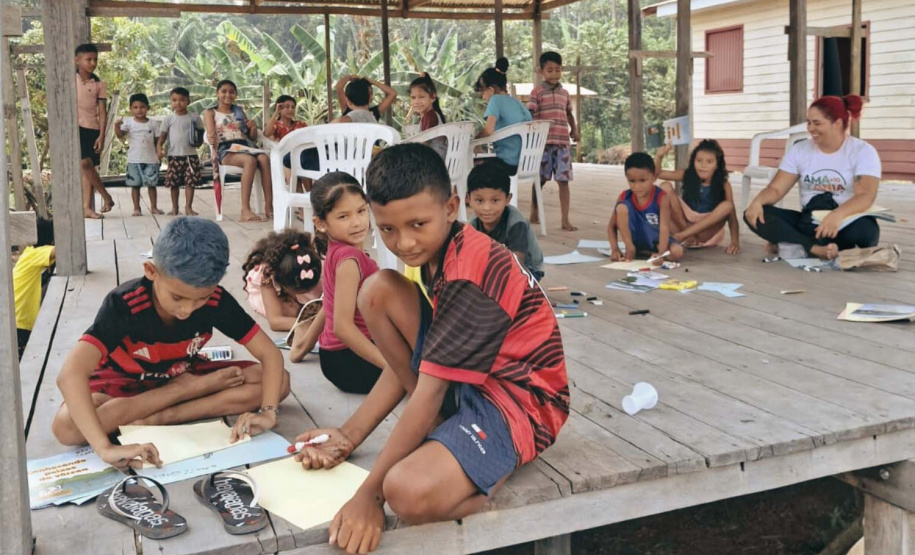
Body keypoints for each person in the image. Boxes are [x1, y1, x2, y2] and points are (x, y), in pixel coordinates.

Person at [292, 144, 569, 553]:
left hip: (520, 403)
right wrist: (347, 437)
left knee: (404, 491)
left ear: (451, 206)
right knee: (379, 289)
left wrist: (370, 496)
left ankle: (491, 464)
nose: (403, 242)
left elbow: (431, 386)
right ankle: (446, 430)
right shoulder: (440, 248)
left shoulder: (470, 275)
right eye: (387, 229)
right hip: (470, 380)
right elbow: (425, 369)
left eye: (417, 224)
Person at [52, 217, 290, 468]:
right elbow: (70, 376)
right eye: (177, 297)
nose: (187, 309)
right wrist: (104, 448)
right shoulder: (125, 304)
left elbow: (270, 355)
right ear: (151, 271)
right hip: (124, 379)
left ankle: (166, 415)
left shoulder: (216, 301)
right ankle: (182, 393)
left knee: (279, 381)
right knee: (67, 428)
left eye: (201, 299)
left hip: (180, 371)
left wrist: (268, 413)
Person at [744, 95, 881, 260]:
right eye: (809, 122)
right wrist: (758, 201)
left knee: (866, 232)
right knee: (754, 214)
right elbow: (776, 188)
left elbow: (865, 196)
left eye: (817, 123)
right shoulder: (799, 150)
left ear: (837, 123)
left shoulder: (863, 152)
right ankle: (816, 248)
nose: (810, 128)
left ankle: (796, 243)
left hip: (845, 220)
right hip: (809, 221)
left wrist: (837, 215)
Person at [292, 172, 384, 395]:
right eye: (343, 216)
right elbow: (342, 328)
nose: (357, 222)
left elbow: (329, 304)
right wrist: (394, 368)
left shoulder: (338, 251)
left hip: (336, 359)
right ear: (321, 224)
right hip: (353, 363)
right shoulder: (350, 260)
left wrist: (303, 347)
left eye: (361, 211)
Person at [203, 79, 273, 222]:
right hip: (226, 150)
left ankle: (269, 207)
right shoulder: (210, 112)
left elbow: (251, 136)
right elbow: (211, 134)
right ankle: (245, 209)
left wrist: (252, 127)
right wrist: (213, 146)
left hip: (243, 146)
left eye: (231, 92)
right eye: (224, 91)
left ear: (236, 94)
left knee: (264, 159)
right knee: (250, 160)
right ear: (217, 93)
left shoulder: (239, 111)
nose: (228, 95)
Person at [655, 139, 740, 254]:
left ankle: (684, 235)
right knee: (665, 187)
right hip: (683, 225)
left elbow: (732, 217)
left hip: (705, 232)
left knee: (727, 206)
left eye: (709, 162)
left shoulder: (724, 184)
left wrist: (735, 241)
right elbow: (658, 174)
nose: (703, 166)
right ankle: (686, 234)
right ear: (693, 161)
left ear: (717, 165)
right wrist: (659, 156)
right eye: (699, 161)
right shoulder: (687, 174)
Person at [527, 51, 579, 231]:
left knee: (563, 180)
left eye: (557, 70)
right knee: (539, 180)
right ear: (542, 72)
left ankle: (565, 219)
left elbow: (569, 113)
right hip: (543, 143)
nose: (554, 74)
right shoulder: (537, 92)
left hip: (562, 142)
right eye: (550, 70)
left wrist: (575, 130)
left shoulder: (565, 93)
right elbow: (530, 113)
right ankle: (534, 211)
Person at [467, 161, 544, 280]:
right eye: (480, 201)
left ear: (508, 199)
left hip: (528, 270)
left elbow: (518, 265)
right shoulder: (471, 225)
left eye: (495, 201)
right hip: (494, 268)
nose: (487, 208)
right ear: (469, 199)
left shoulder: (516, 222)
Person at [608, 152, 684, 264]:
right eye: (632, 181)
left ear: (653, 177)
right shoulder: (624, 197)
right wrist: (615, 249)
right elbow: (611, 227)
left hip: (657, 242)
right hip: (635, 242)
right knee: (621, 208)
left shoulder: (661, 197)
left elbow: (664, 228)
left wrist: (661, 254)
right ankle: (631, 248)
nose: (637, 186)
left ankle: (647, 253)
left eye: (642, 181)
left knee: (677, 252)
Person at [242, 229, 323, 332]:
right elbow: (275, 322)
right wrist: (317, 324)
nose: (306, 292)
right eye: (299, 291)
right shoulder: (268, 275)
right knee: (292, 312)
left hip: (294, 281)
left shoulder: (312, 263)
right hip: (268, 293)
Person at [75, 43, 115, 220]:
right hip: (74, 127)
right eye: (88, 59)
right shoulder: (70, 79)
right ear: (77, 60)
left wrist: (101, 134)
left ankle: (86, 207)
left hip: (92, 128)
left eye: (95, 60)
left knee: (87, 167)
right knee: (85, 165)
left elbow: (103, 112)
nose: (92, 63)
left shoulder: (98, 84)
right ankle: (106, 196)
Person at [475, 57, 532, 174]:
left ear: (490, 90)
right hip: (527, 162)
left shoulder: (495, 100)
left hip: (507, 163)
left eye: (482, 92)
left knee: (472, 163)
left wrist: (476, 141)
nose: (483, 97)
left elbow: (488, 130)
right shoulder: (518, 103)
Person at [157, 87, 203, 216]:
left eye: (182, 100)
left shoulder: (194, 117)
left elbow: (201, 132)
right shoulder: (169, 119)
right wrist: (159, 148)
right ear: (171, 102)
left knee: (190, 182)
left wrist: (199, 142)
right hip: (173, 155)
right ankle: (175, 208)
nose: (178, 103)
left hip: (191, 155)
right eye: (174, 100)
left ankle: (188, 207)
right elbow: (162, 136)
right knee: (174, 183)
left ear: (188, 101)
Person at [114, 93, 163, 217]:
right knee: (135, 185)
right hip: (134, 159)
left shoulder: (152, 123)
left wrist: (159, 152)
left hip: (151, 159)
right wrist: (116, 126)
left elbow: (158, 140)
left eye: (142, 107)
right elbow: (120, 135)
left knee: (152, 185)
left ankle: (154, 207)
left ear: (148, 108)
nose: (139, 110)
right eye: (135, 107)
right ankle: (136, 208)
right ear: (130, 109)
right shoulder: (129, 123)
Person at [13, 218, 55, 359]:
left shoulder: (29, 251)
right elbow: (62, 249)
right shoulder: (38, 253)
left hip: (18, 315)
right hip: (20, 319)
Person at [407, 73, 448, 159]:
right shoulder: (430, 115)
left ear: (433, 97)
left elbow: (423, 146)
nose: (417, 101)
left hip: (434, 162)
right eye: (413, 98)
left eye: (421, 97)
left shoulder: (429, 116)